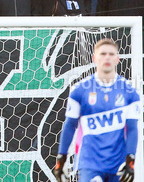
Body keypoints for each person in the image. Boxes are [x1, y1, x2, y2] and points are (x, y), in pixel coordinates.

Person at [54, 38, 140, 182]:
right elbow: (70, 125)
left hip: (118, 164)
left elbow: (132, 129)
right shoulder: (79, 90)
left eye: (111, 54)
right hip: (89, 163)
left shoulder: (130, 91)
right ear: (94, 58)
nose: (107, 57)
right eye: (103, 54)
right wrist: (61, 158)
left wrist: (131, 160)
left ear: (118, 59)